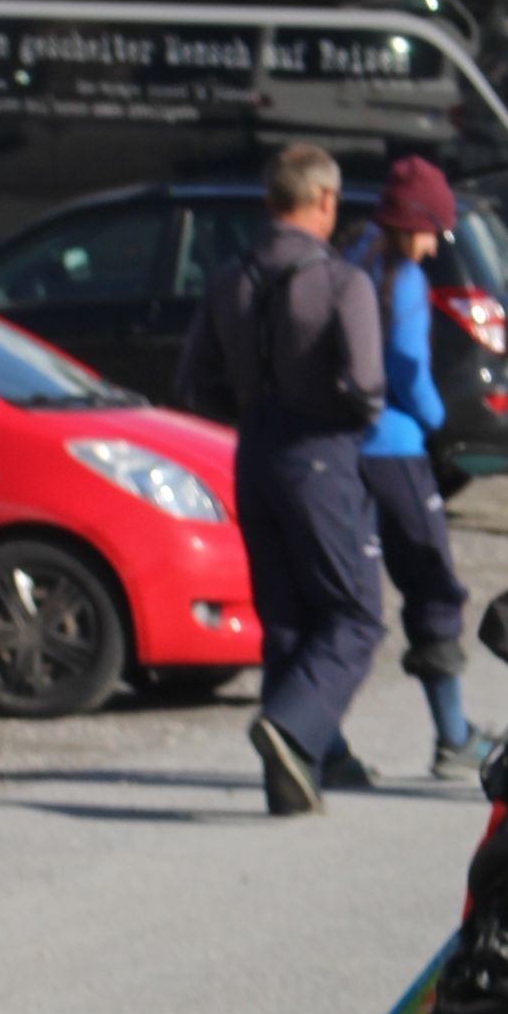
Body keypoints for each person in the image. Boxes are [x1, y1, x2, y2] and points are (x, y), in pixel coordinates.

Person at [176, 144, 386, 816]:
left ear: (271, 202)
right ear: (325, 202)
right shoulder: (342, 282)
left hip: (255, 452)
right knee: (355, 612)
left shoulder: (229, 279)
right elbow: (366, 384)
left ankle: (297, 774)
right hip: (320, 451)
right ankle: (295, 728)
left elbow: (193, 382)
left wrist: (247, 409)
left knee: (287, 615)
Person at [342, 156, 494, 781]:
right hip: (396, 449)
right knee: (433, 586)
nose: (435, 248)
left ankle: (320, 739)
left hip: (346, 447)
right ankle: (453, 736)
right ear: (414, 224)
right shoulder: (400, 278)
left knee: (351, 594)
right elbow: (407, 368)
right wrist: (440, 421)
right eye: (434, 232)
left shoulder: (354, 253)